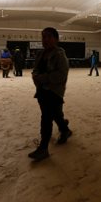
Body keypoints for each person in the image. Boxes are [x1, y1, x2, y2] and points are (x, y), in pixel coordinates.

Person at [29, 27, 72, 161]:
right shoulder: (40, 54)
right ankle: (65, 130)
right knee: (55, 114)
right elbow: (35, 70)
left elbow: (61, 75)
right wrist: (35, 77)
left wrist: (43, 78)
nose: (45, 40)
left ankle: (43, 148)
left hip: (54, 92)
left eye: (48, 37)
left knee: (46, 117)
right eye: (43, 37)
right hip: (41, 90)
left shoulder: (60, 55)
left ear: (56, 39)